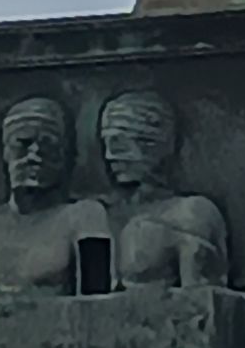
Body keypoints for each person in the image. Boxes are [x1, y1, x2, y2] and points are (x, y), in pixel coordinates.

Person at [0, 97, 109, 298]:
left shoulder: (84, 218)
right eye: (23, 144)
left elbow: (96, 306)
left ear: (66, 154)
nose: (34, 156)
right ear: (5, 152)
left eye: (48, 145)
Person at [95, 89, 230, 289]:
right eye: (106, 144)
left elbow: (202, 303)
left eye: (120, 145)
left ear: (154, 144)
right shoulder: (96, 216)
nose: (109, 156)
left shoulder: (191, 214)